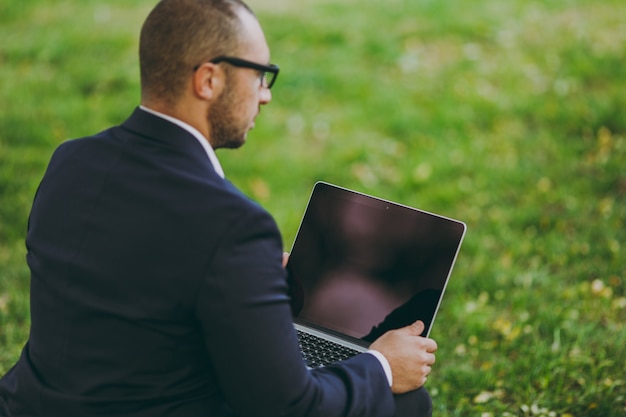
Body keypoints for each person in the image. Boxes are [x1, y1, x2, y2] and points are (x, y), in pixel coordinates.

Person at [0, 0, 438, 416]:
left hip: (32, 406)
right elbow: (289, 407)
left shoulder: (71, 161)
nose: (265, 96)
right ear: (208, 80)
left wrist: (248, 287)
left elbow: (132, 286)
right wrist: (380, 365)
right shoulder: (233, 225)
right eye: (261, 75)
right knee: (405, 404)